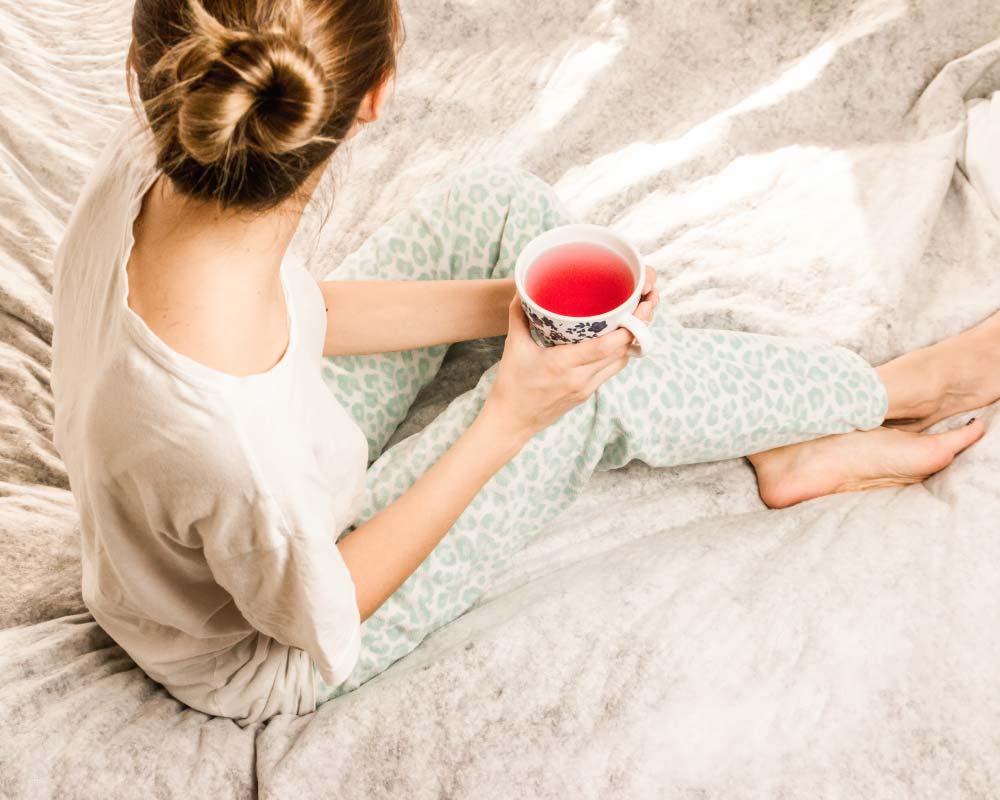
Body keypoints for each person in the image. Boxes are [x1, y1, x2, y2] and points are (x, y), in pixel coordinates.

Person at [50, 0, 992, 728]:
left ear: (146, 70)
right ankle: (894, 392)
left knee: (501, 210)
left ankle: (773, 433)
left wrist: (508, 306)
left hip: (278, 451)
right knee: (580, 398)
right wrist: (513, 412)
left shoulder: (154, 157)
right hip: (270, 646)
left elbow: (302, 312)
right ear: (376, 95)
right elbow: (321, 611)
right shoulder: (228, 448)